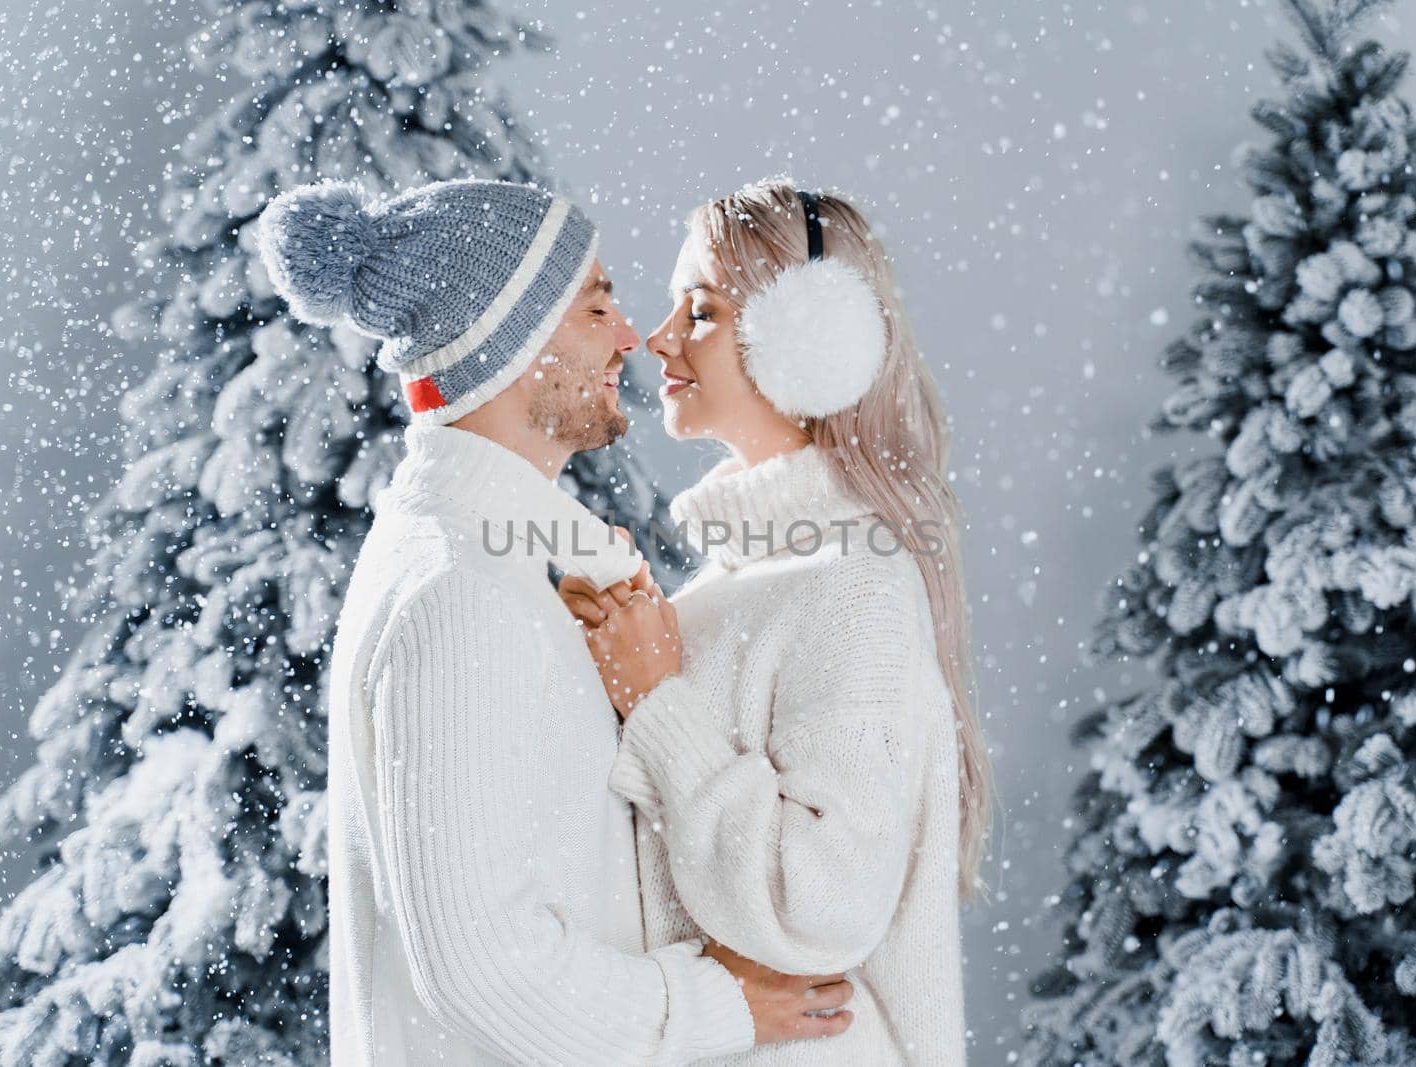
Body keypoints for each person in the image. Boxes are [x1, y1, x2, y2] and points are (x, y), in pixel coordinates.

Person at [257, 177, 856, 1065]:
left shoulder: (501, 564)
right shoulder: (459, 593)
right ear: (508, 344)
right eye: (596, 308)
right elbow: (478, 967)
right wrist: (717, 1002)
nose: (629, 339)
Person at [560, 178, 993, 1065]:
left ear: (810, 342)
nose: (658, 337)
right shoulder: (750, 579)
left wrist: (656, 703)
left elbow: (821, 904)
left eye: (703, 310)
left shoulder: (855, 585)